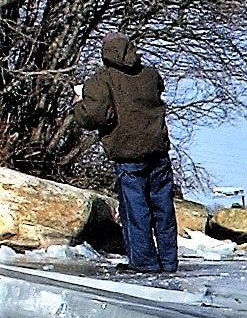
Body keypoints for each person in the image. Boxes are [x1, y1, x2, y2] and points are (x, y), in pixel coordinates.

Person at [71, 33, 178, 274]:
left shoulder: (102, 79)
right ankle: (169, 261)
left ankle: (143, 262)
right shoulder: (150, 75)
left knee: (135, 210)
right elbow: (157, 90)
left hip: (128, 155)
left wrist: (79, 102)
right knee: (163, 208)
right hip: (158, 151)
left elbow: (93, 116)